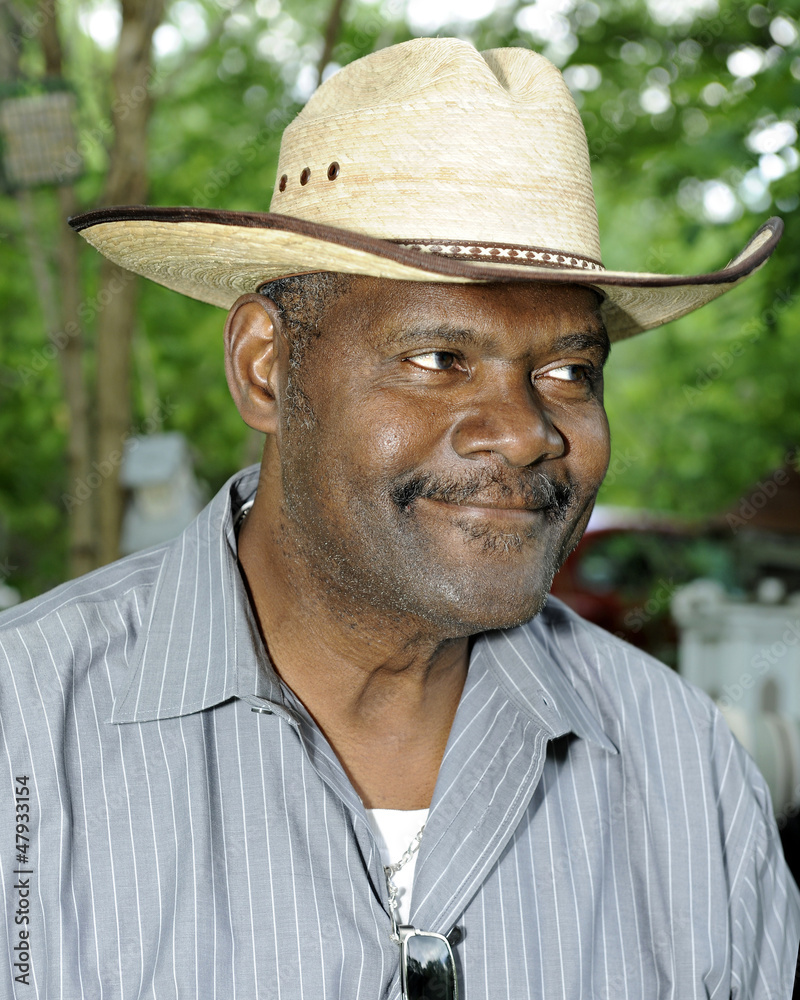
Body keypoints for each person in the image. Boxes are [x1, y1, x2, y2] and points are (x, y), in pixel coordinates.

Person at [1, 36, 798, 999]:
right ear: (266, 366)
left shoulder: (685, 768)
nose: (523, 433)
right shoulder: (27, 736)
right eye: (436, 359)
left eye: (568, 373)